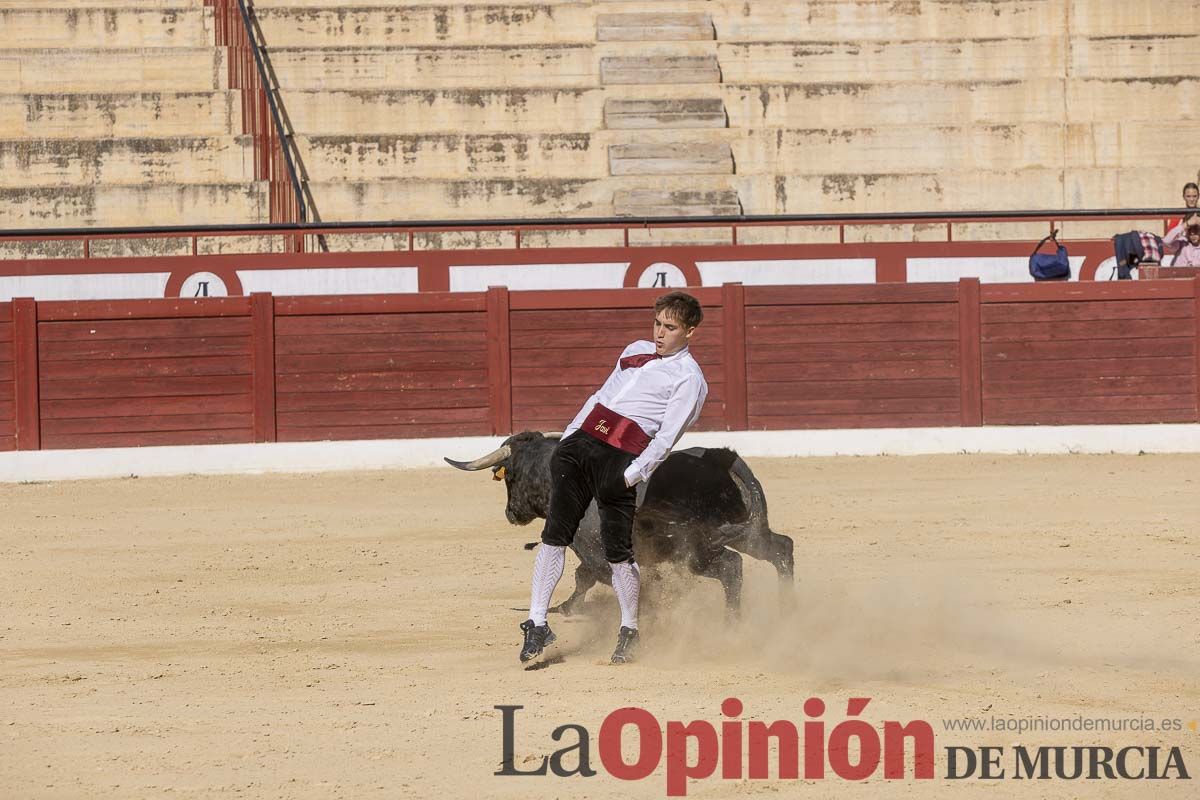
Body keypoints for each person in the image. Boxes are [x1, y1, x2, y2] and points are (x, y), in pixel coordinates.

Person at [519, 291, 708, 665]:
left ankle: (629, 629)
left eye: (669, 328)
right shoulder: (634, 348)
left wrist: (633, 474)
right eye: (657, 323)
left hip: (620, 458)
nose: (659, 333)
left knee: (617, 551)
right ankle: (536, 622)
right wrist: (569, 438)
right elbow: (600, 396)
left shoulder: (690, 378)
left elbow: (668, 436)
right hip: (580, 445)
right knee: (555, 535)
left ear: (690, 331)